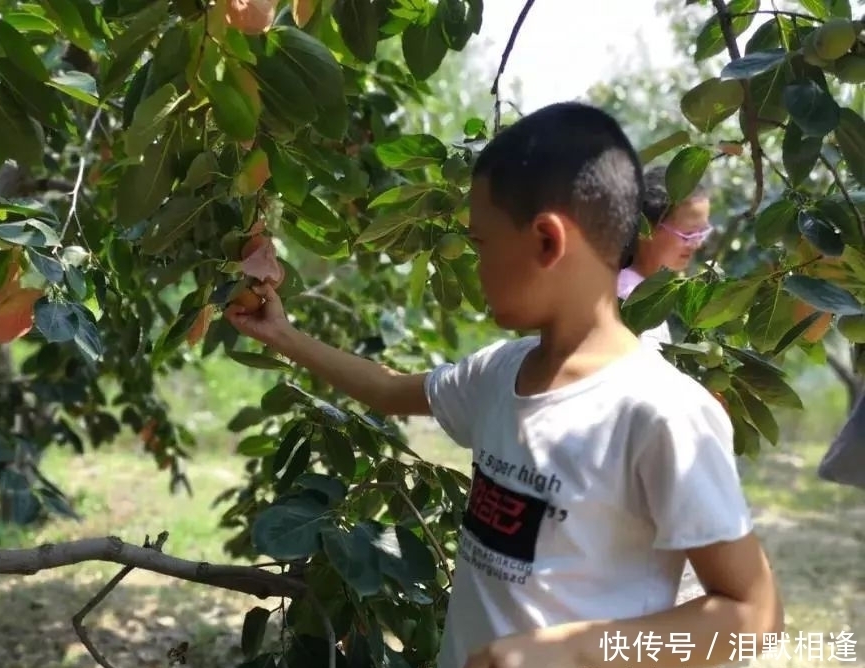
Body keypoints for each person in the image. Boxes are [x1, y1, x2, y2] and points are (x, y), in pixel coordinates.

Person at [224, 102, 783, 668]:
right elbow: (391, 391)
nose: (476, 262)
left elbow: (753, 615)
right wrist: (284, 337)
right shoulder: (499, 372)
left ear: (546, 241)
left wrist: (570, 652)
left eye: (482, 244)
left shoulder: (660, 413)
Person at [618, 166, 714, 351]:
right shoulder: (627, 299)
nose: (697, 244)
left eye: (702, 232)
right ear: (646, 229)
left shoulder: (646, 293)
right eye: (688, 234)